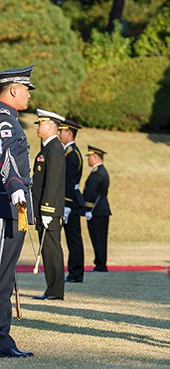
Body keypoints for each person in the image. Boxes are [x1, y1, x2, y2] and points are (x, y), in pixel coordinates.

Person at [0, 65, 35, 358]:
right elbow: (5, 154)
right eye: (25, 89)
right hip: (5, 205)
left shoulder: (10, 118)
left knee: (6, 276)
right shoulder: (4, 119)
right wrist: (15, 187)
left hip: (13, 207)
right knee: (1, 277)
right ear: (13, 89)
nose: (28, 94)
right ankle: (1, 340)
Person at [32, 109, 66, 301]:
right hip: (43, 208)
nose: (38, 126)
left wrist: (47, 209)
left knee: (52, 249)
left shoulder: (54, 149)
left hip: (49, 210)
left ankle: (55, 290)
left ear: (51, 126)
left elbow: (53, 182)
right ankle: (52, 288)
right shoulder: (47, 147)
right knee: (48, 249)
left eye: (40, 123)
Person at [59, 119, 85, 283]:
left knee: (74, 239)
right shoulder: (70, 153)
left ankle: (76, 273)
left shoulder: (71, 154)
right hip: (71, 201)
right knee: (73, 239)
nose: (60, 133)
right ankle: (75, 272)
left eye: (62, 131)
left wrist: (67, 204)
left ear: (69, 133)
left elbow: (69, 182)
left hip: (72, 202)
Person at [83, 145, 111, 272]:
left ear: (95, 157)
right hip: (100, 209)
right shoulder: (101, 171)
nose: (88, 160)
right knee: (99, 238)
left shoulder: (97, 173)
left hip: (96, 210)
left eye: (89, 157)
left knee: (98, 238)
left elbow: (91, 193)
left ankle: (100, 264)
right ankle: (100, 263)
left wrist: (87, 209)